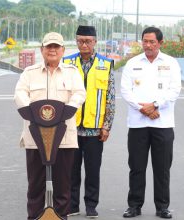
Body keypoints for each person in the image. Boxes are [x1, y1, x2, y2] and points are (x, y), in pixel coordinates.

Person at [14, 32, 86, 220]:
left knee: (63, 186)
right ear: (42, 50)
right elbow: (20, 94)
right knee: (35, 186)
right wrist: (32, 113)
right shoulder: (29, 73)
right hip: (35, 137)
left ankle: (61, 217)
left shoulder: (72, 72)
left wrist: (67, 110)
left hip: (64, 138)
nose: (52, 50)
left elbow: (80, 93)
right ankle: (34, 217)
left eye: (56, 47)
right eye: (48, 46)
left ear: (63, 50)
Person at [120, 26, 181, 219]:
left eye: (152, 41)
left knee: (162, 168)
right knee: (136, 167)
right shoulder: (132, 63)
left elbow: (174, 90)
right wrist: (143, 109)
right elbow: (125, 91)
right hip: (138, 124)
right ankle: (134, 206)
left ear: (160, 43)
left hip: (163, 125)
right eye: (145, 41)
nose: (147, 45)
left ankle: (162, 207)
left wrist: (155, 105)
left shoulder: (171, 63)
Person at [63, 25, 115, 218]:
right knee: (71, 170)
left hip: (95, 129)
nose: (84, 44)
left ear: (95, 42)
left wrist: (107, 126)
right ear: (76, 41)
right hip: (71, 128)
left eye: (88, 41)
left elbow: (110, 98)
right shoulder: (67, 63)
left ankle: (91, 205)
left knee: (93, 170)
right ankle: (73, 205)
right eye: (80, 41)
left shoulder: (106, 64)